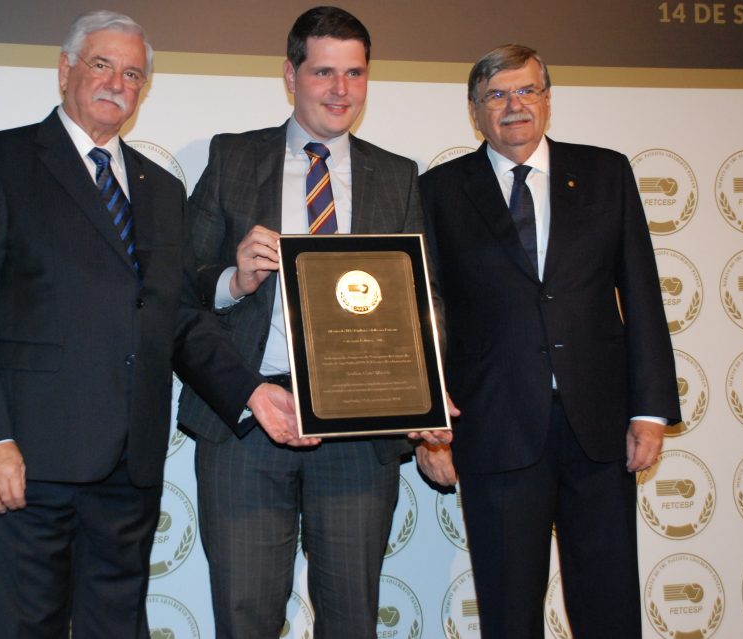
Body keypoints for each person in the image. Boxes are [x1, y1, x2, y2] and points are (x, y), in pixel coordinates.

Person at [0, 11, 297, 639]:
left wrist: (250, 391)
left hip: (130, 464)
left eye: (133, 74)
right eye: (102, 65)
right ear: (65, 70)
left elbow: (179, 317)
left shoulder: (160, 188)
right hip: (32, 458)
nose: (116, 83)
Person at [176, 6, 450, 638]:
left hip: (361, 426)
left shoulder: (397, 175)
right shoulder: (232, 158)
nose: (341, 90)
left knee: (352, 618)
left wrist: (426, 399)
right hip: (248, 420)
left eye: (355, 73)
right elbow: (179, 292)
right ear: (290, 75)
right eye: (324, 72)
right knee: (245, 617)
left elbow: (422, 302)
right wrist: (233, 279)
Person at [417, 44, 680, 638]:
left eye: (526, 90)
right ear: (474, 111)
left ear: (548, 99)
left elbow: (641, 292)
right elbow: (424, 314)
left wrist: (650, 410)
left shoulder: (606, 173)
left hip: (601, 428)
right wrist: (429, 424)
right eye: (496, 95)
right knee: (509, 612)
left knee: (609, 607)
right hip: (494, 427)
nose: (514, 106)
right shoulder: (437, 191)